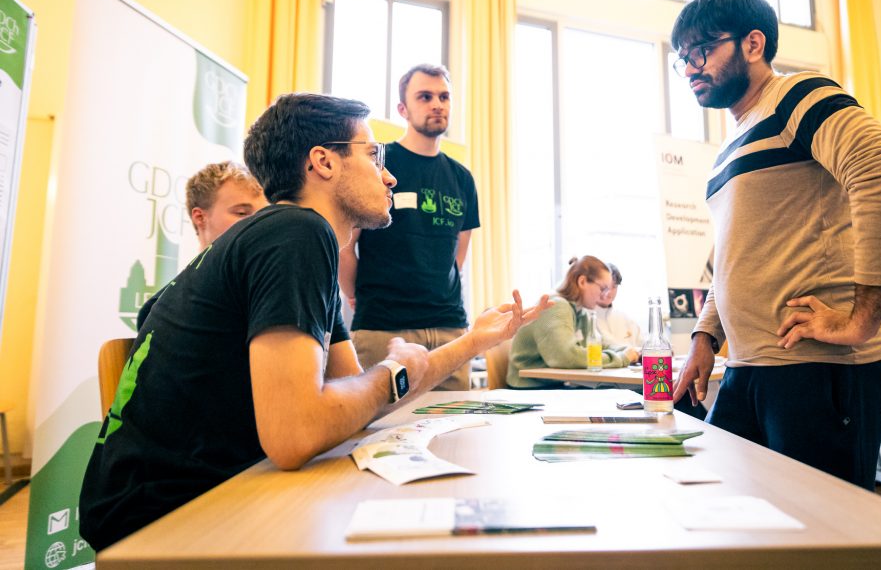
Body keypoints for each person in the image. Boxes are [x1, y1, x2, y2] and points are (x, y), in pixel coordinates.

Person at [80, 93, 549, 552]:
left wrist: (470, 343)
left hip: (198, 495)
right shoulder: (296, 232)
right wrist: (392, 371)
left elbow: (351, 402)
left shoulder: (297, 241)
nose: (388, 176)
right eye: (373, 155)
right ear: (323, 162)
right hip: (164, 518)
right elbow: (297, 434)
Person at [669, 0, 881, 490]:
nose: (691, 67)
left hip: (815, 367)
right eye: (682, 59)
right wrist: (704, 338)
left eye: (702, 50)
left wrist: (862, 319)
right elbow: (735, 256)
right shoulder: (730, 146)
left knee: (824, 538)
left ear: (753, 44)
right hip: (751, 365)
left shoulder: (798, 96)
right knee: (741, 520)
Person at [339, 64, 479, 391]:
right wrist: (353, 292)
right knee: (375, 433)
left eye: (444, 97)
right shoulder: (379, 165)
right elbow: (346, 243)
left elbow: (459, 249)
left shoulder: (462, 178)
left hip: (449, 330)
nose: (437, 104)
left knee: (454, 434)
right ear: (403, 109)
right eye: (425, 96)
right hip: (385, 329)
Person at [135, 161, 267, 329]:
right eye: (241, 213)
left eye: (263, 215)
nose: (258, 224)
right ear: (200, 218)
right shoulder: (159, 309)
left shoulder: (261, 288)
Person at [507, 256, 638, 388]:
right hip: (528, 388)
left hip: (548, 385)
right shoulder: (556, 306)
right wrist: (621, 358)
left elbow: (601, 344)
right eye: (603, 288)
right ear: (582, 281)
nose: (605, 295)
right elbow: (566, 356)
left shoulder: (579, 311)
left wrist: (630, 351)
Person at [593, 262, 642, 349]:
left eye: (614, 287)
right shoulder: (588, 317)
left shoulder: (624, 318)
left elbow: (643, 343)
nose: (609, 292)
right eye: (606, 286)